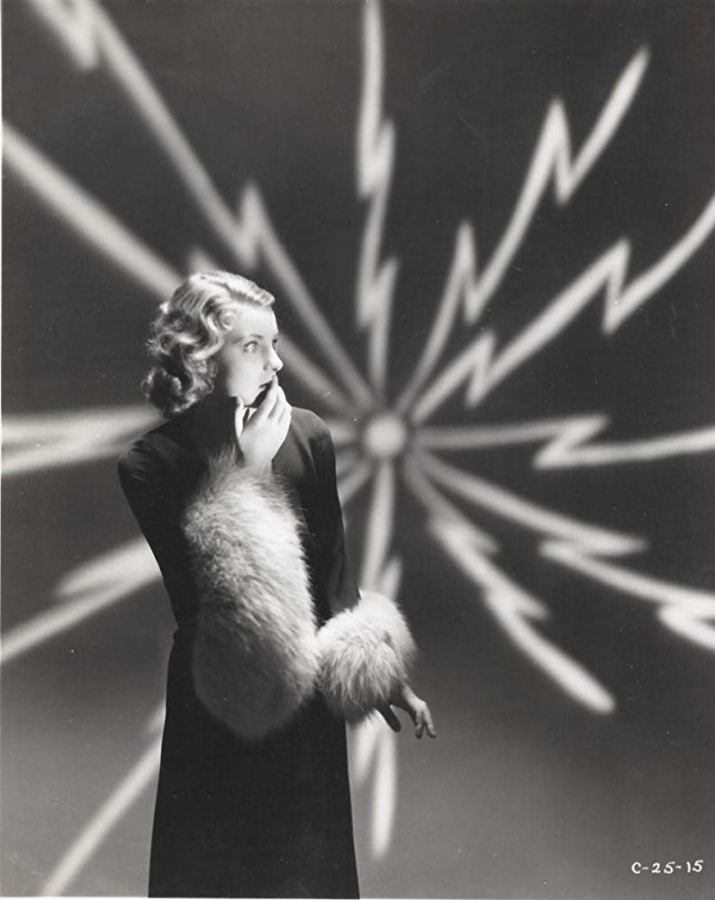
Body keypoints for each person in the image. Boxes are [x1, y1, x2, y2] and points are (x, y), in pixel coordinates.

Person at [118, 271, 435, 898]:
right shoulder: (149, 463)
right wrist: (250, 472)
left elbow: (334, 575)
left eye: (275, 343)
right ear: (202, 356)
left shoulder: (309, 434)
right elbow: (210, 605)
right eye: (252, 346)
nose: (276, 362)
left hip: (305, 704)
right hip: (218, 701)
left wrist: (378, 671)